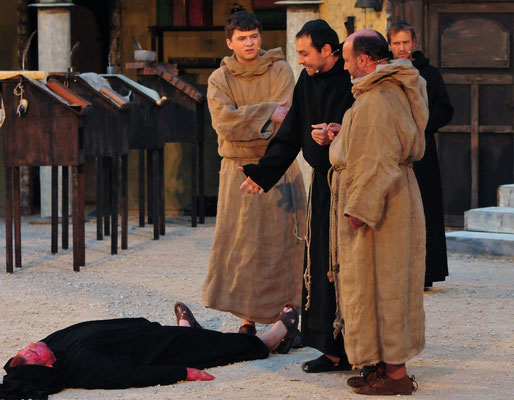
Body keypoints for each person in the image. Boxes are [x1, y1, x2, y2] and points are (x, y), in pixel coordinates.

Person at [240, 19, 354, 372]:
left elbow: (368, 125)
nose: (300, 60)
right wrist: (263, 172)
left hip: (351, 187)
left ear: (326, 50)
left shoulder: (353, 79)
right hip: (323, 186)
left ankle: (361, 348)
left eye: (304, 53)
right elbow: (290, 133)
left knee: (351, 268)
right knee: (320, 266)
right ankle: (332, 349)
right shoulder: (306, 80)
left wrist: (339, 135)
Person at [328, 30, 428, 395]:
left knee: (386, 287)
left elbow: (378, 161)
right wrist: (346, 135)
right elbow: (377, 143)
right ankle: (383, 367)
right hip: (393, 199)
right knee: (380, 285)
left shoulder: (378, 98)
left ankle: (397, 377)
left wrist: (359, 208)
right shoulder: (386, 92)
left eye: (348, 57)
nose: (345, 64)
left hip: (381, 207)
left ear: (365, 61)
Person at [203, 11, 306, 336]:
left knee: (283, 246)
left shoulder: (280, 70)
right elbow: (223, 123)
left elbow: (286, 119)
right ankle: (247, 320)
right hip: (236, 171)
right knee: (242, 248)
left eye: (254, 36)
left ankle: (287, 318)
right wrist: (265, 112)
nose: (250, 43)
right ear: (229, 42)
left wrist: (249, 119)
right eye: (242, 38)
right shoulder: (220, 79)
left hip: (277, 167)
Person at [0, 303, 298, 399]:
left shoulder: (53, 346)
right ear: (47, 368)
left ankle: (186, 332)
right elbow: (130, 375)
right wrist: (182, 372)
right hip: (159, 351)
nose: (31, 346)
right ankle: (269, 342)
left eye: (25, 349)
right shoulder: (85, 367)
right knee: (215, 348)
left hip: (148, 333)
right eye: (32, 354)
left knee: (192, 339)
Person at [387, 21, 454, 289]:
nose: (402, 47)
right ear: (389, 45)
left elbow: (445, 109)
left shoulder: (430, 74)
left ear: (414, 43)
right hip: (391, 148)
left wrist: (419, 123)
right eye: (396, 43)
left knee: (425, 208)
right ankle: (395, 271)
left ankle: (426, 272)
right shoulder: (384, 73)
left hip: (423, 151)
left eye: (406, 42)